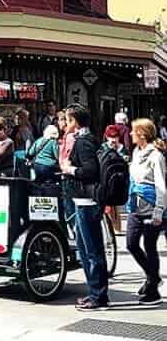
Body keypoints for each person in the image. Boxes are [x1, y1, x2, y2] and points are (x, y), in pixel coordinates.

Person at [60, 105, 109, 310]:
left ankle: (97, 295)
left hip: (86, 202)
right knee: (87, 248)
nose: (64, 124)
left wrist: (69, 169)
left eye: (68, 120)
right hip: (86, 201)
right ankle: (95, 293)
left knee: (91, 250)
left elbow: (90, 170)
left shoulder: (83, 142)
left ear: (75, 122)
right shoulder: (90, 139)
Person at [126, 118, 166, 305]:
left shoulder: (156, 156)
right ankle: (153, 277)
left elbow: (161, 185)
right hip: (135, 207)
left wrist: (159, 209)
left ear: (142, 134)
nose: (131, 134)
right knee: (131, 244)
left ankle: (153, 290)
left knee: (150, 247)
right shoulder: (136, 152)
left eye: (134, 131)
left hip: (151, 208)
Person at [101, 124, 129, 234]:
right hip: (108, 178)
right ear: (106, 137)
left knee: (117, 203)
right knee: (109, 205)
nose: (113, 139)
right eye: (110, 137)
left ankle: (117, 227)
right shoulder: (103, 147)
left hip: (120, 179)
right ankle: (113, 228)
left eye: (115, 137)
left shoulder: (123, 148)